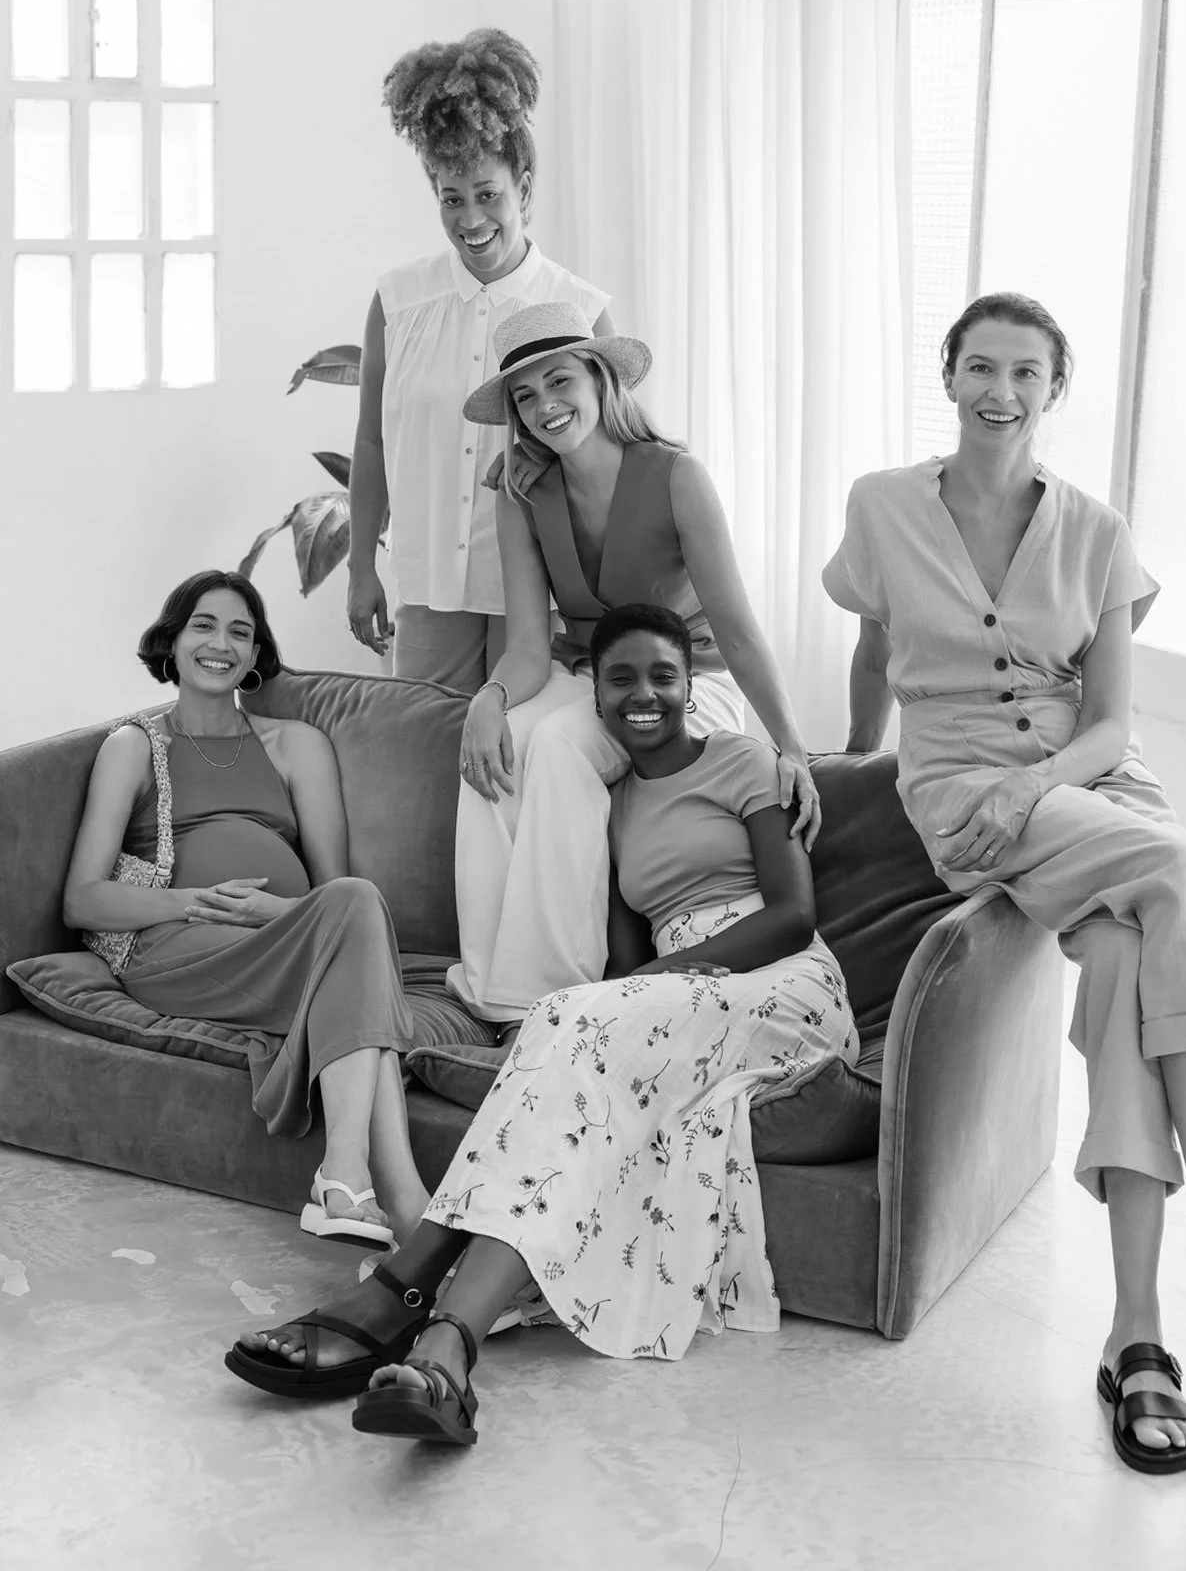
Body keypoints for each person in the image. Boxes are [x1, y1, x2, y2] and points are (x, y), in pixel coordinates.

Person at [823, 290, 1186, 1475]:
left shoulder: (1096, 529)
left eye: (1025, 373)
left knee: (1118, 976)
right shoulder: (882, 506)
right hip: (961, 787)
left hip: (1087, 778)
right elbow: (870, 646)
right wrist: (849, 760)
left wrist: (1039, 778)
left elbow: (1108, 722)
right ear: (946, 376)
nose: (1000, 390)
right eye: (979, 366)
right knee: (1181, 867)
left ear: (1054, 391)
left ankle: (1134, 1327)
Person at [225, 603, 855, 1440]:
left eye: (663, 676)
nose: (644, 695)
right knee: (580, 1100)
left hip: (779, 985)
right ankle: (446, 1354)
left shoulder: (744, 763)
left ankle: (401, 1287)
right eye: (621, 678)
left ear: (690, 685)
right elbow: (624, 954)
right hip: (671, 1001)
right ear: (593, 694)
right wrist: (628, 998)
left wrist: (637, 993)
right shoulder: (612, 799)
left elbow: (791, 916)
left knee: (566, 1016)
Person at [446, 300, 821, 1025]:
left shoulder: (676, 475)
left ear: (598, 378)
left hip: (688, 682)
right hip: (588, 675)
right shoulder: (522, 490)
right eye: (525, 397)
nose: (544, 406)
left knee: (555, 745)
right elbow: (527, 646)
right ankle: (490, 984)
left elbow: (738, 633)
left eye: (558, 382)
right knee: (495, 752)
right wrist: (487, 700)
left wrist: (792, 745)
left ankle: (551, 996)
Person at [63, 571, 431, 1247]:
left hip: (280, 938)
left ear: (257, 654)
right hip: (176, 950)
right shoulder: (135, 746)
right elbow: (82, 898)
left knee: (357, 909)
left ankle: (368, 1196)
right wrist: (189, 901)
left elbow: (334, 888)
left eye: (241, 631)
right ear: (170, 642)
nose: (221, 643)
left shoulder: (297, 745)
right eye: (203, 625)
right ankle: (390, 1203)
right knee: (364, 975)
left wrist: (269, 911)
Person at [348, 27, 614, 693]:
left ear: (523, 188)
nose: (471, 220)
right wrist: (359, 568)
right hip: (429, 581)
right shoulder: (398, 302)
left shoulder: (580, 311)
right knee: (428, 765)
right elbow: (372, 440)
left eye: (487, 194)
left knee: (521, 762)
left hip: (544, 588)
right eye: (451, 198)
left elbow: (614, 465)